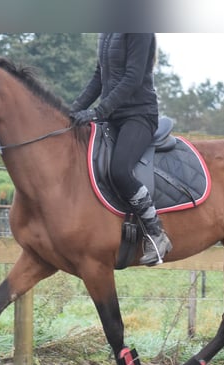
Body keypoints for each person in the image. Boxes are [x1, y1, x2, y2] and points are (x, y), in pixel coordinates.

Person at [69, 33, 172, 266]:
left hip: (139, 115)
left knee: (119, 170)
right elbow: (99, 77)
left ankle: (156, 233)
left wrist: (98, 111)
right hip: (112, 116)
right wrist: (70, 111)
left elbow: (133, 78)